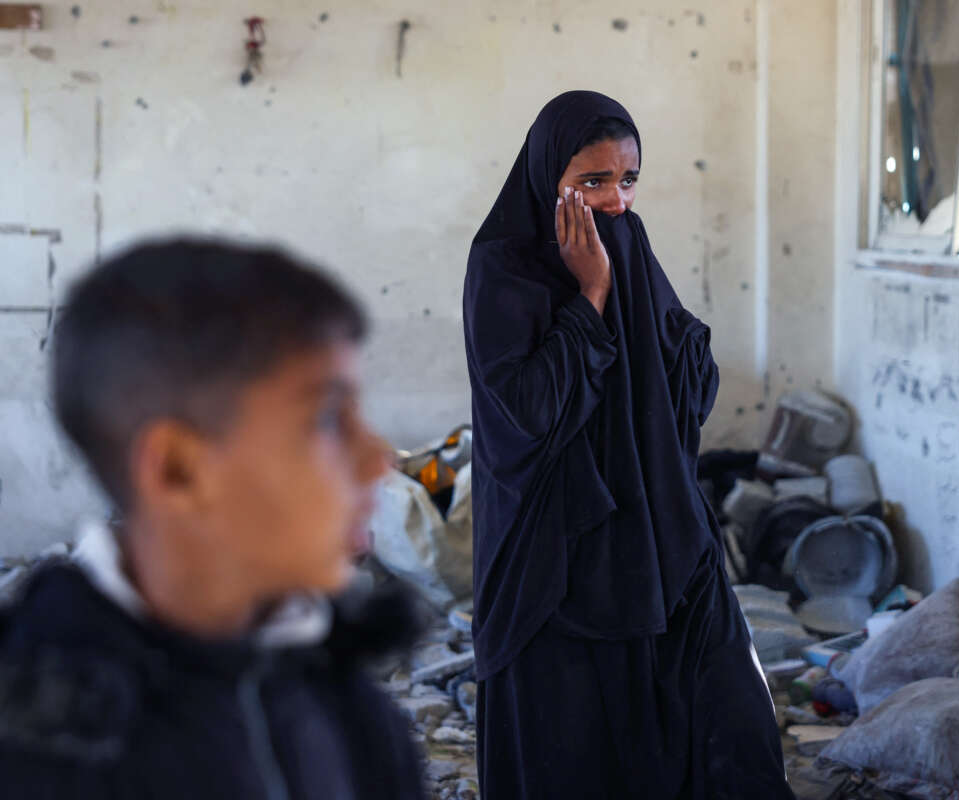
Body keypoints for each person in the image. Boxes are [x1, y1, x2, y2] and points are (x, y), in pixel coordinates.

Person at [0, 240, 427, 799]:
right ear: (178, 470)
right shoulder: (34, 749)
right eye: (326, 418)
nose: (379, 457)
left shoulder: (351, 713)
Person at [464, 91, 794, 799]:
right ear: (547, 179)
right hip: (558, 560)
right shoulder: (503, 270)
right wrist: (591, 299)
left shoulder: (628, 242)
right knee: (577, 756)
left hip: (659, 537)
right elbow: (527, 412)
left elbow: (689, 390)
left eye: (628, 179)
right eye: (591, 182)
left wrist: (661, 332)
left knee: (734, 724)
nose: (615, 201)